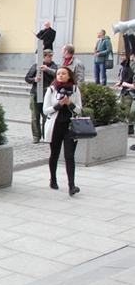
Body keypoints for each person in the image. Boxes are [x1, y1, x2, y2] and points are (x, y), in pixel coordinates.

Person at [43, 66, 82, 196]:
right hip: (55, 126)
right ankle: (53, 179)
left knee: (69, 156)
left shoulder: (75, 89)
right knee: (55, 153)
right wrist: (59, 104)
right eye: (58, 74)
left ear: (69, 76)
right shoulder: (51, 90)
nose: (60, 76)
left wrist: (69, 103)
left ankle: (72, 185)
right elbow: (46, 109)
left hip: (70, 127)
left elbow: (79, 109)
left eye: (63, 73)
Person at [24, 49, 58, 143]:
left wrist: (46, 69)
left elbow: (56, 73)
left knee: (46, 116)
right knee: (35, 116)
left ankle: (46, 135)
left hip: (47, 94)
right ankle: (36, 135)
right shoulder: (36, 66)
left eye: (51, 56)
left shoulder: (53, 66)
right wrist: (34, 79)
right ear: (43, 56)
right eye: (48, 56)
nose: (50, 58)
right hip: (35, 93)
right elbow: (27, 78)